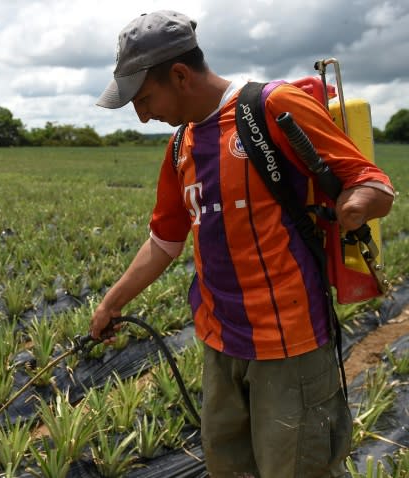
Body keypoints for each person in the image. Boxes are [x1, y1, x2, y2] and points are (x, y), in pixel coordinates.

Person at [90, 10, 394, 478]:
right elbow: (164, 241)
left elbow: (371, 181)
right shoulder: (181, 147)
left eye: (145, 98)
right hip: (219, 343)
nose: (144, 114)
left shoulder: (271, 108)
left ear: (179, 75)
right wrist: (111, 303)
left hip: (290, 347)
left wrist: (357, 203)